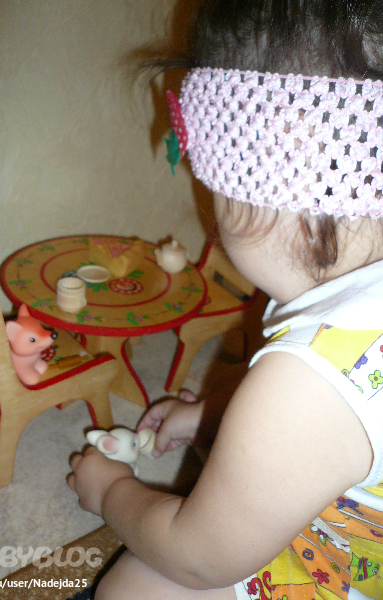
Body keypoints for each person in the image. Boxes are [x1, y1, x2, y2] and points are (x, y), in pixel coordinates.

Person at [67, 0, 383, 598]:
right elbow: (310, 421)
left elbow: (198, 558)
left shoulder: (303, 385)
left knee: (128, 587)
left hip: (342, 574)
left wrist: (109, 491)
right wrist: (206, 416)